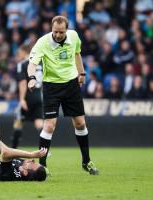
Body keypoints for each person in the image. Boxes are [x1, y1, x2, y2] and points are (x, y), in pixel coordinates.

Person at [27, 15, 99, 175]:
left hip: (71, 84)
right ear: (51, 29)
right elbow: (32, 64)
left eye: (61, 32)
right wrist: (32, 78)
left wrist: (82, 73)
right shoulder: (43, 42)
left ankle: (86, 162)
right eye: (55, 32)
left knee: (80, 123)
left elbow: (77, 53)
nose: (58, 35)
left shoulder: (74, 36)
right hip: (51, 87)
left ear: (66, 29)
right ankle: (42, 166)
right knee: (49, 125)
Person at [11, 44, 43, 148]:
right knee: (39, 122)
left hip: (28, 96)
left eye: (19, 52)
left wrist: (21, 99)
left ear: (24, 52)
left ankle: (13, 149)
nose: (18, 55)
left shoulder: (23, 64)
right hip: (39, 96)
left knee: (18, 122)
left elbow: (23, 83)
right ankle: (45, 148)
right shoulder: (40, 64)